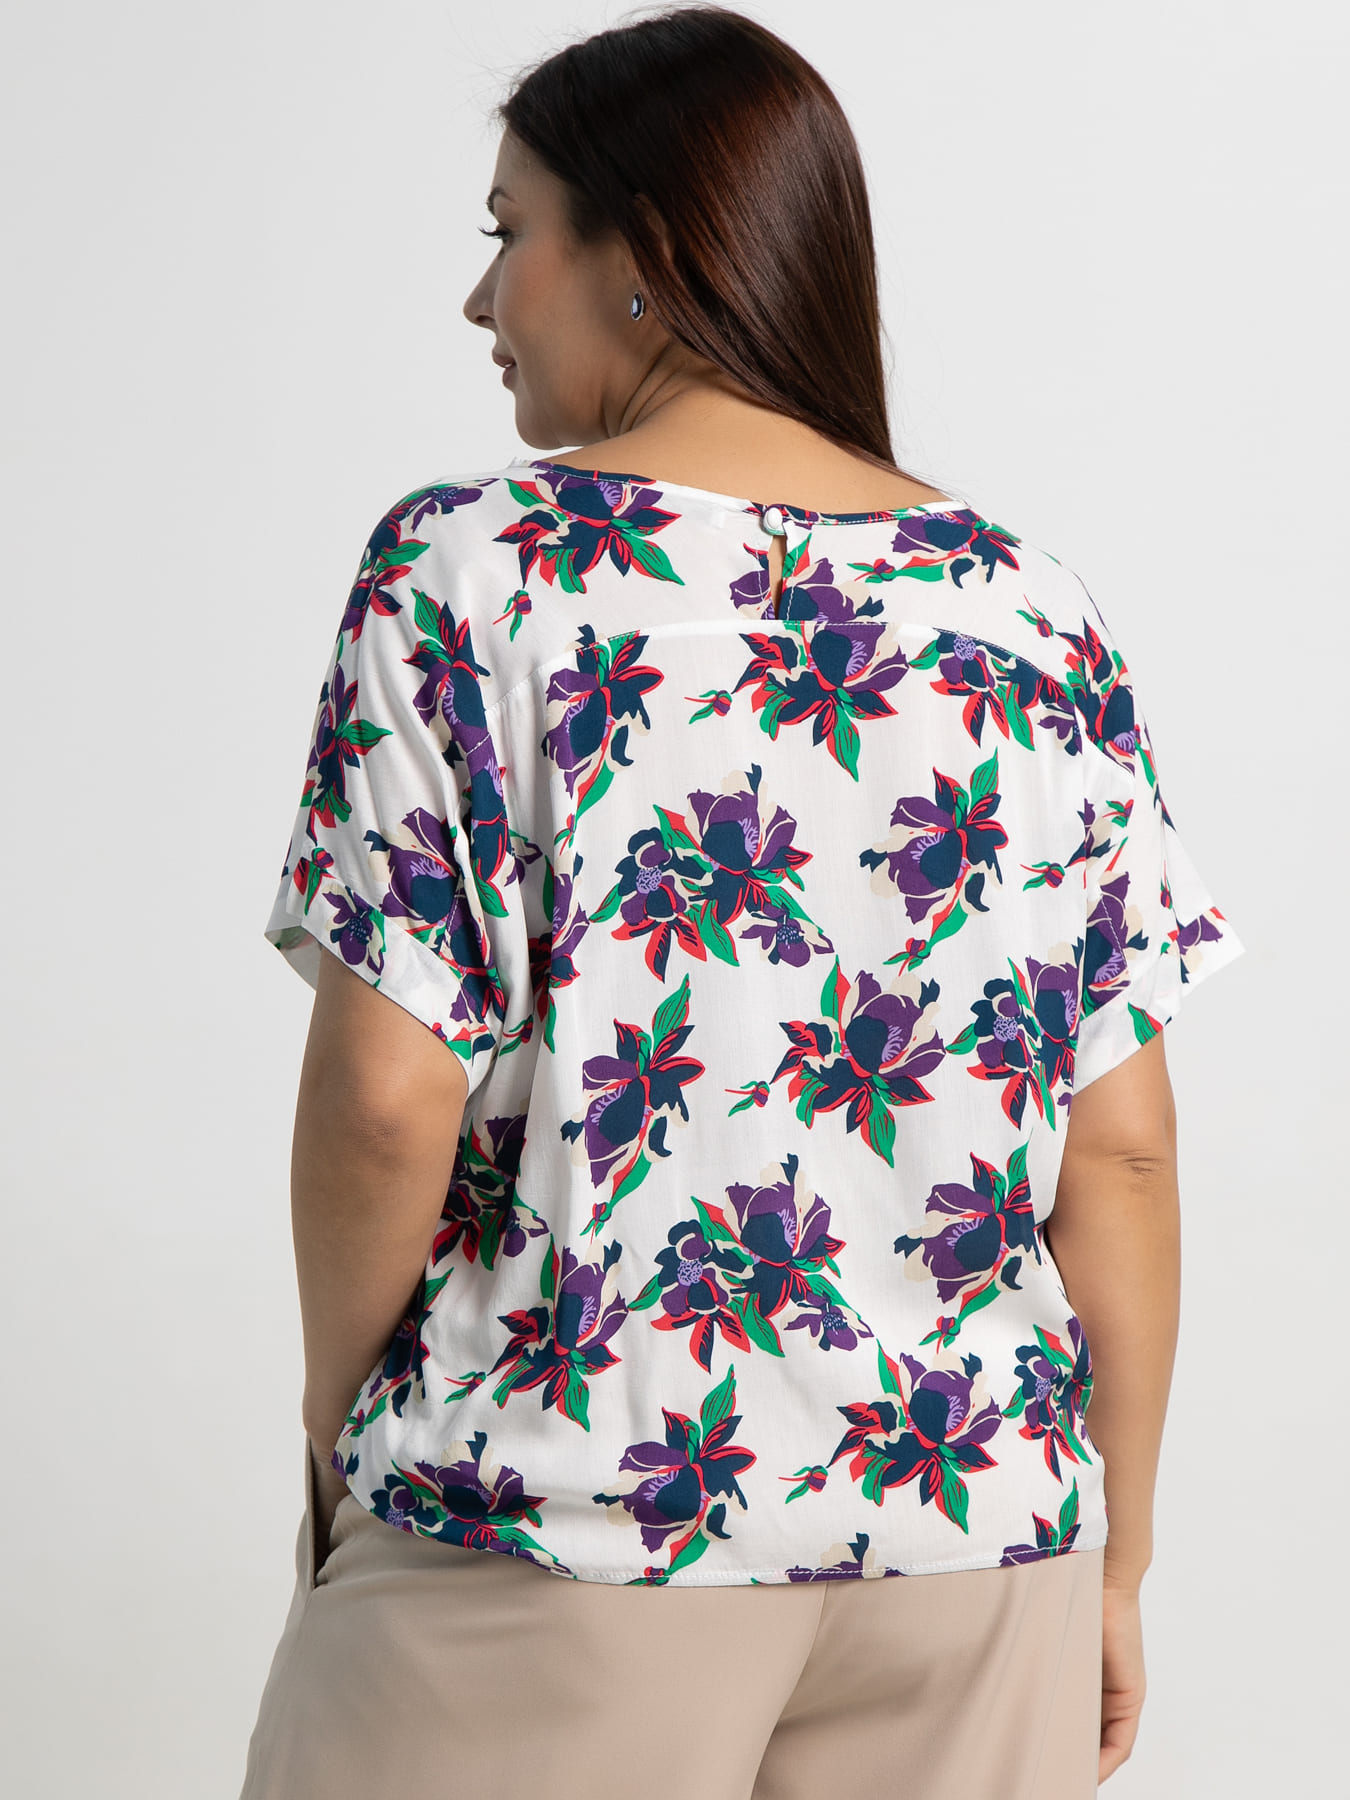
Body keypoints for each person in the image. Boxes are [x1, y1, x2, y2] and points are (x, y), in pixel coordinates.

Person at [238, 8, 1245, 1798]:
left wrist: (338, 1433)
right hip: (974, 1555)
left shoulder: (470, 572)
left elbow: (388, 1100)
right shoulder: (1030, 613)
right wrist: (1116, 1556)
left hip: (554, 1526)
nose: (480, 300)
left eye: (507, 232)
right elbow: (1123, 1151)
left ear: (644, 249)